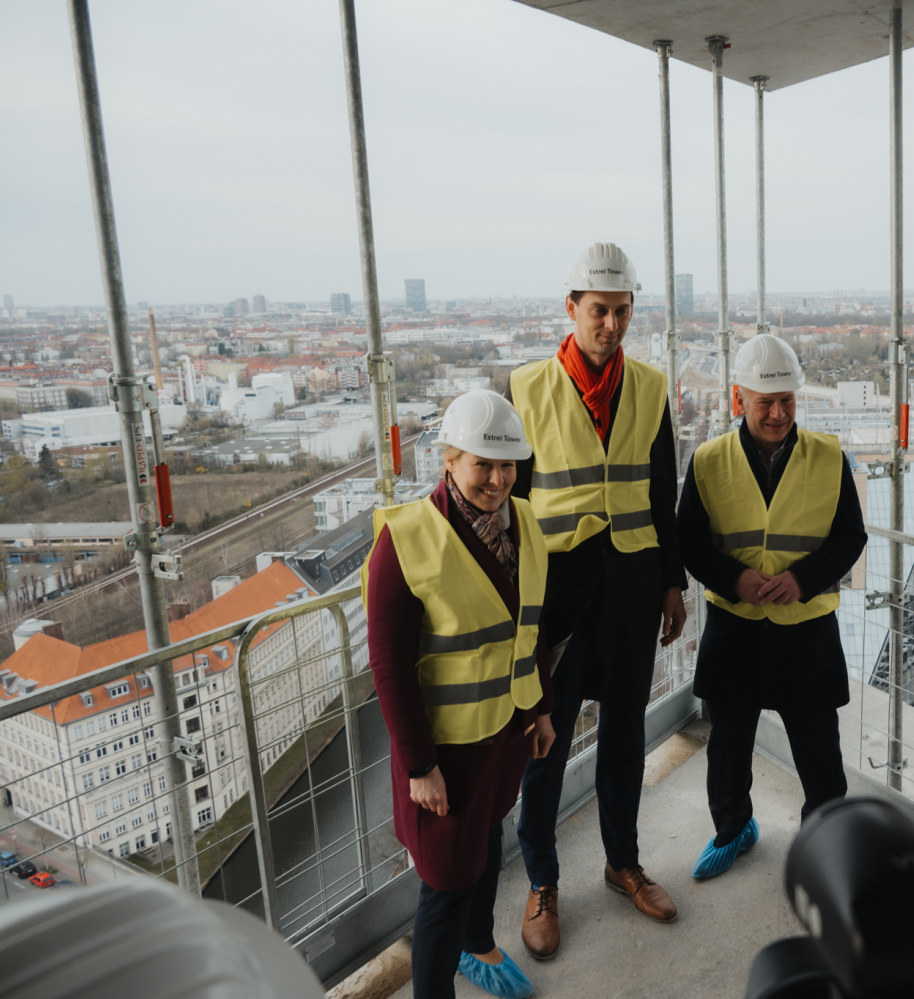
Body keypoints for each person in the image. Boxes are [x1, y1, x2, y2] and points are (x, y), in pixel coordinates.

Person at [507, 242, 688, 960]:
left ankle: (623, 863)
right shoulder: (526, 389)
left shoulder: (649, 387)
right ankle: (542, 881)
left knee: (622, 736)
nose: (611, 325)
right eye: (599, 311)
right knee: (544, 745)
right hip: (557, 597)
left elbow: (663, 491)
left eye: (622, 311)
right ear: (572, 307)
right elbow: (511, 506)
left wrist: (672, 582)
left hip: (633, 590)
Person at [362, 390, 557, 999]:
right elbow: (388, 665)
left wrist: (541, 709)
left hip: (505, 732)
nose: (497, 480)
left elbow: (529, 629)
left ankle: (479, 944)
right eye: (482, 465)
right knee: (446, 885)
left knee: (488, 841)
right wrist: (419, 766)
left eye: (507, 466)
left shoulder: (524, 523)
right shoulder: (406, 539)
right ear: (449, 460)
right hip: (445, 752)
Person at [676, 333, 867, 879]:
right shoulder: (708, 461)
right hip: (735, 626)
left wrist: (803, 579)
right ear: (739, 399)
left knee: (819, 750)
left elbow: (850, 537)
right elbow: (689, 542)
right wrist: (733, 577)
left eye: (787, 400)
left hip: (806, 630)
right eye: (766, 402)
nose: (778, 413)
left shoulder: (828, 457)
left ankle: (824, 843)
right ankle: (733, 830)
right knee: (728, 746)